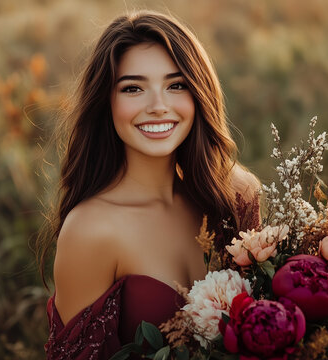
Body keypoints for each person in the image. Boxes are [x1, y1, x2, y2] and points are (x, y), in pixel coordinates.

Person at [42, 10, 260, 359]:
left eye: (176, 85)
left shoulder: (236, 194)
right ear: (106, 101)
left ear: (199, 93)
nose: (158, 107)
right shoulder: (89, 230)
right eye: (133, 88)